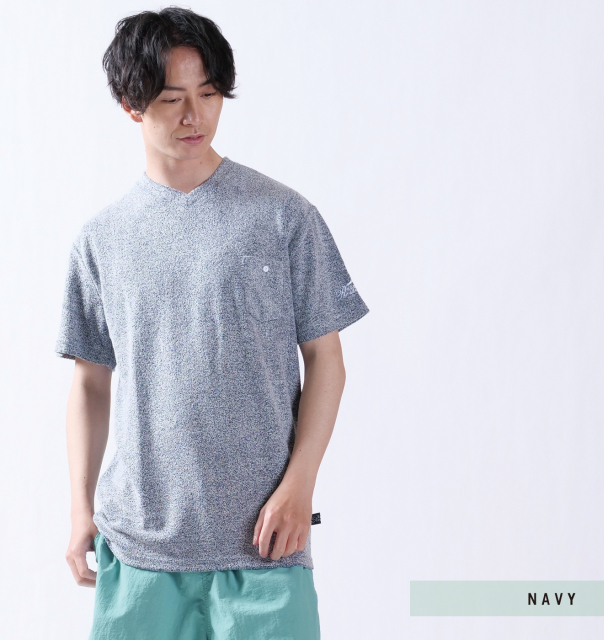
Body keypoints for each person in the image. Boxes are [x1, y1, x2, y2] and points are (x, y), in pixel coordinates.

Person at [54, 7, 369, 639]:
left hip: (265, 542)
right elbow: (90, 383)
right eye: (172, 99)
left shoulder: (283, 217)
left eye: (209, 94)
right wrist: (79, 508)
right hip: (139, 547)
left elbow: (326, 359)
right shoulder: (101, 240)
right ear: (131, 105)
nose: (194, 115)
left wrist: (300, 484)